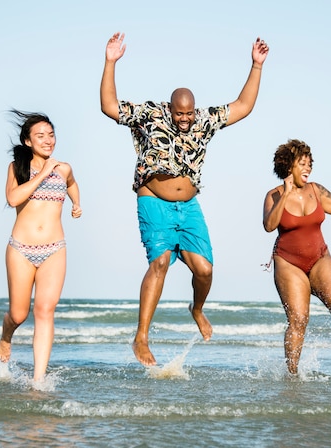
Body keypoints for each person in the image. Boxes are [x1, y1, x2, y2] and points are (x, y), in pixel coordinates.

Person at [100, 32, 269, 366]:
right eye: (180, 114)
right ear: (171, 107)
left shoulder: (203, 120)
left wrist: (256, 66)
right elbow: (109, 107)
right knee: (160, 262)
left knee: (204, 270)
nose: (185, 119)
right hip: (154, 201)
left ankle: (197, 308)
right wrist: (110, 63)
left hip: (189, 206)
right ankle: (141, 338)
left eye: (189, 114)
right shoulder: (150, 114)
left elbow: (243, 106)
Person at [262, 139, 331, 374]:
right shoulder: (274, 196)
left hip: (319, 258)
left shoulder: (316, 190)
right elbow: (269, 225)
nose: (308, 168)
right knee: (298, 320)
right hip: (289, 264)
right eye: (303, 163)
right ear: (289, 166)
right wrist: (286, 194)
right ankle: (292, 376)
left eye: (310, 164)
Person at [0, 110, 82, 382]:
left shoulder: (64, 168)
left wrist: (76, 203)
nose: (48, 140)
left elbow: (72, 183)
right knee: (19, 314)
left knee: (45, 310)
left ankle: (38, 380)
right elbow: (13, 199)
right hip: (21, 249)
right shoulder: (17, 169)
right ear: (28, 142)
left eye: (51, 134)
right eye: (40, 136)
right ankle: (6, 335)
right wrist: (43, 173)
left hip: (54, 248)